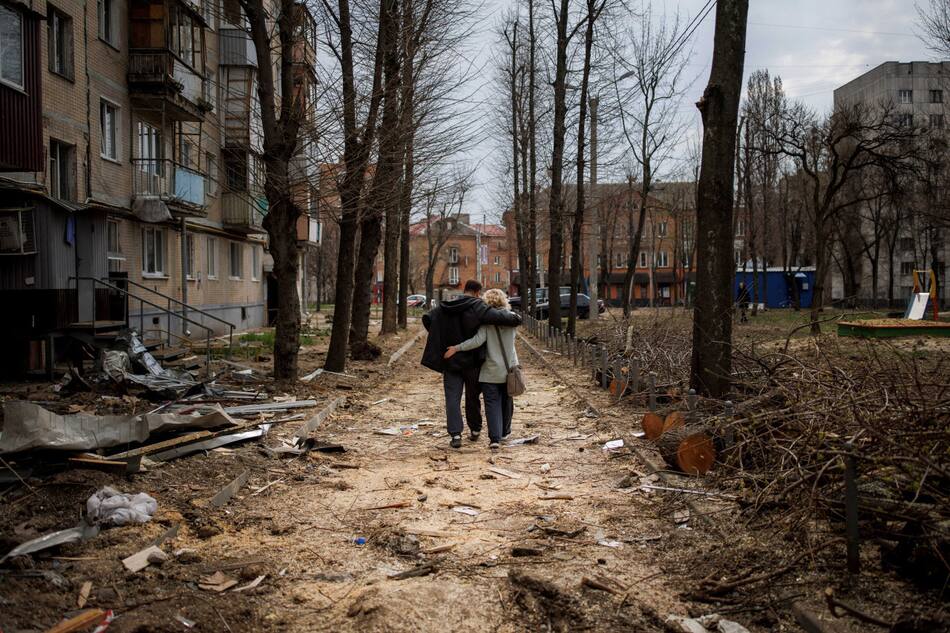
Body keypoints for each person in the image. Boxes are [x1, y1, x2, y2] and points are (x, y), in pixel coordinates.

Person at [421, 280, 522, 449]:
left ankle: (455, 434)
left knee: (452, 398)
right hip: (472, 362)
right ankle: (475, 429)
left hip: (450, 360)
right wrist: (516, 318)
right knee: (472, 396)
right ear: (477, 293)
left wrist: (441, 336)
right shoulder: (477, 306)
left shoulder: (444, 307)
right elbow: (499, 317)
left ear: (464, 289)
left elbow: (427, 319)